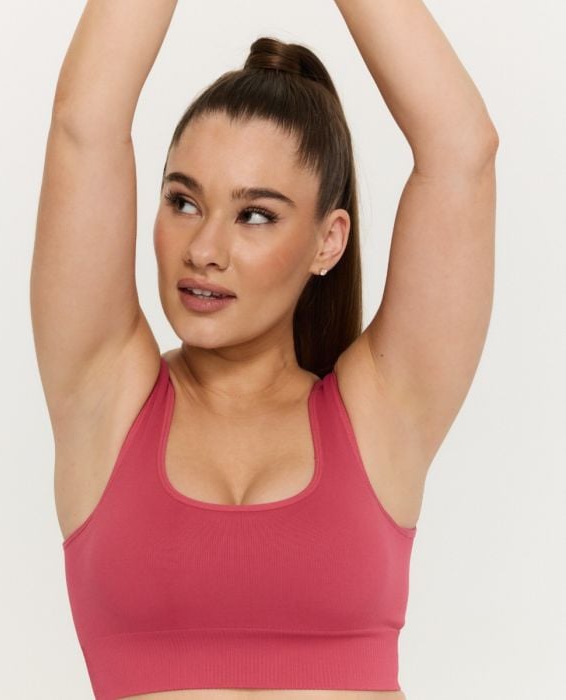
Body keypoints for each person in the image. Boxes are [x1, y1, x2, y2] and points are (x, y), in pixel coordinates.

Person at [30, 1, 498, 698]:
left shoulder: (380, 413)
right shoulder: (105, 397)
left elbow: (463, 151)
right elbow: (83, 126)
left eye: (254, 215)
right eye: (183, 202)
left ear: (327, 241)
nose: (204, 249)